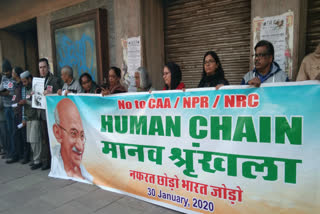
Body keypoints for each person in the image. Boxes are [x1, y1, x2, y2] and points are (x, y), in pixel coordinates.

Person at [50, 98, 93, 183]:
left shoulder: (88, 175)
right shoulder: (56, 166)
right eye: (73, 134)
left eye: (82, 136)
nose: (80, 147)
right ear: (57, 133)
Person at [38, 58, 63, 170]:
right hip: (42, 113)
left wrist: (51, 94)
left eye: (44, 67)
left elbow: (60, 96)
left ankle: (56, 162)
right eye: (40, 68)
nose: (42, 70)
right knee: (45, 139)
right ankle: (47, 161)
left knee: (54, 138)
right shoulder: (38, 81)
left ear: (48, 67)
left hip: (53, 115)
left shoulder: (55, 80)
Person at [19, 71, 42, 170]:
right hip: (28, 117)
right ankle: (35, 159)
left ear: (30, 79)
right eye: (22, 82)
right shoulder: (25, 89)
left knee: (35, 140)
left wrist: (26, 102)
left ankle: (38, 160)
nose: (24, 84)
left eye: (25, 81)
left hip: (35, 117)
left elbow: (38, 101)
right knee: (31, 140)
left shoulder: (36, 88)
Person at [6, 67, 29, 164]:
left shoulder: (22, 87)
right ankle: (18, 154)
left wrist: (24, 116)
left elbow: (24, 101)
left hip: (21, 114)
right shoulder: (16, 85)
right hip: (15, 113)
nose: (12, 73)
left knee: (24, 136)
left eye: (13, 72)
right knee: (16, 135)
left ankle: (26, 156)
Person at [0, 59, 16, 160]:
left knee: (14, 131)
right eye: (4, 72)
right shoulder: (4, 78)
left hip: (13, 107)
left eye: (7, 71)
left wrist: (7, 93)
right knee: (8, 131)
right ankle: (10, 151)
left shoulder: (14, 79)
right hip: (6, 107)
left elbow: (13, 92)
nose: (6, 73)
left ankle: (15, 153)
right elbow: (1, 88)